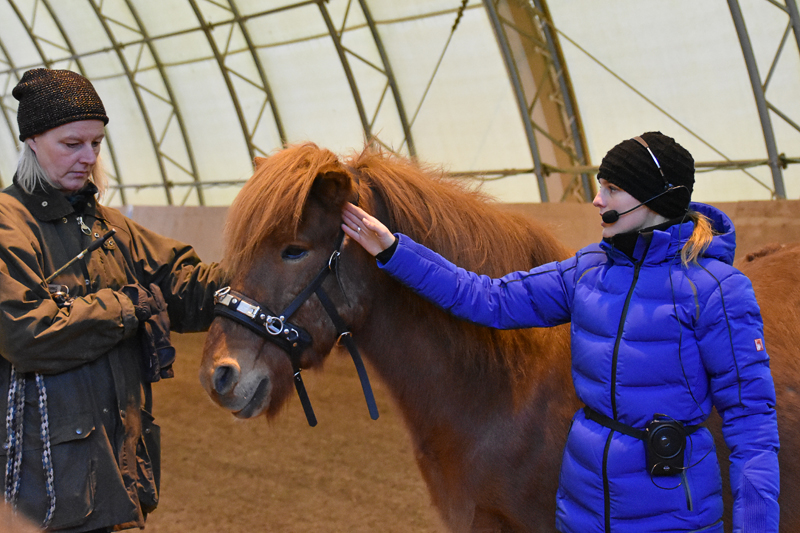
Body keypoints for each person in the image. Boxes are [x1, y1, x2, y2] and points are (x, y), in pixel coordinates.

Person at [341, 132, 780, 532]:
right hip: (584, 504)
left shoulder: (719, 292)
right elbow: (486, 297)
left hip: (670, 509)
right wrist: (394, 251)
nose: (596, 199)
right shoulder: (587, 271)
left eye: (611, 189)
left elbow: (752, 423)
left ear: (653, 200)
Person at [0, 68, 228, 531]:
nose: (89, 157)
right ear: (32, 141)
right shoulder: (9, 226)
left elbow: (185, 286)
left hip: (118, 482)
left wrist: (266, 264)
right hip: (41, 496)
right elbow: (28, 333)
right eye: (72, 144)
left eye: (97, 144)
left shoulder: (110, 228)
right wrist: (127, 307)